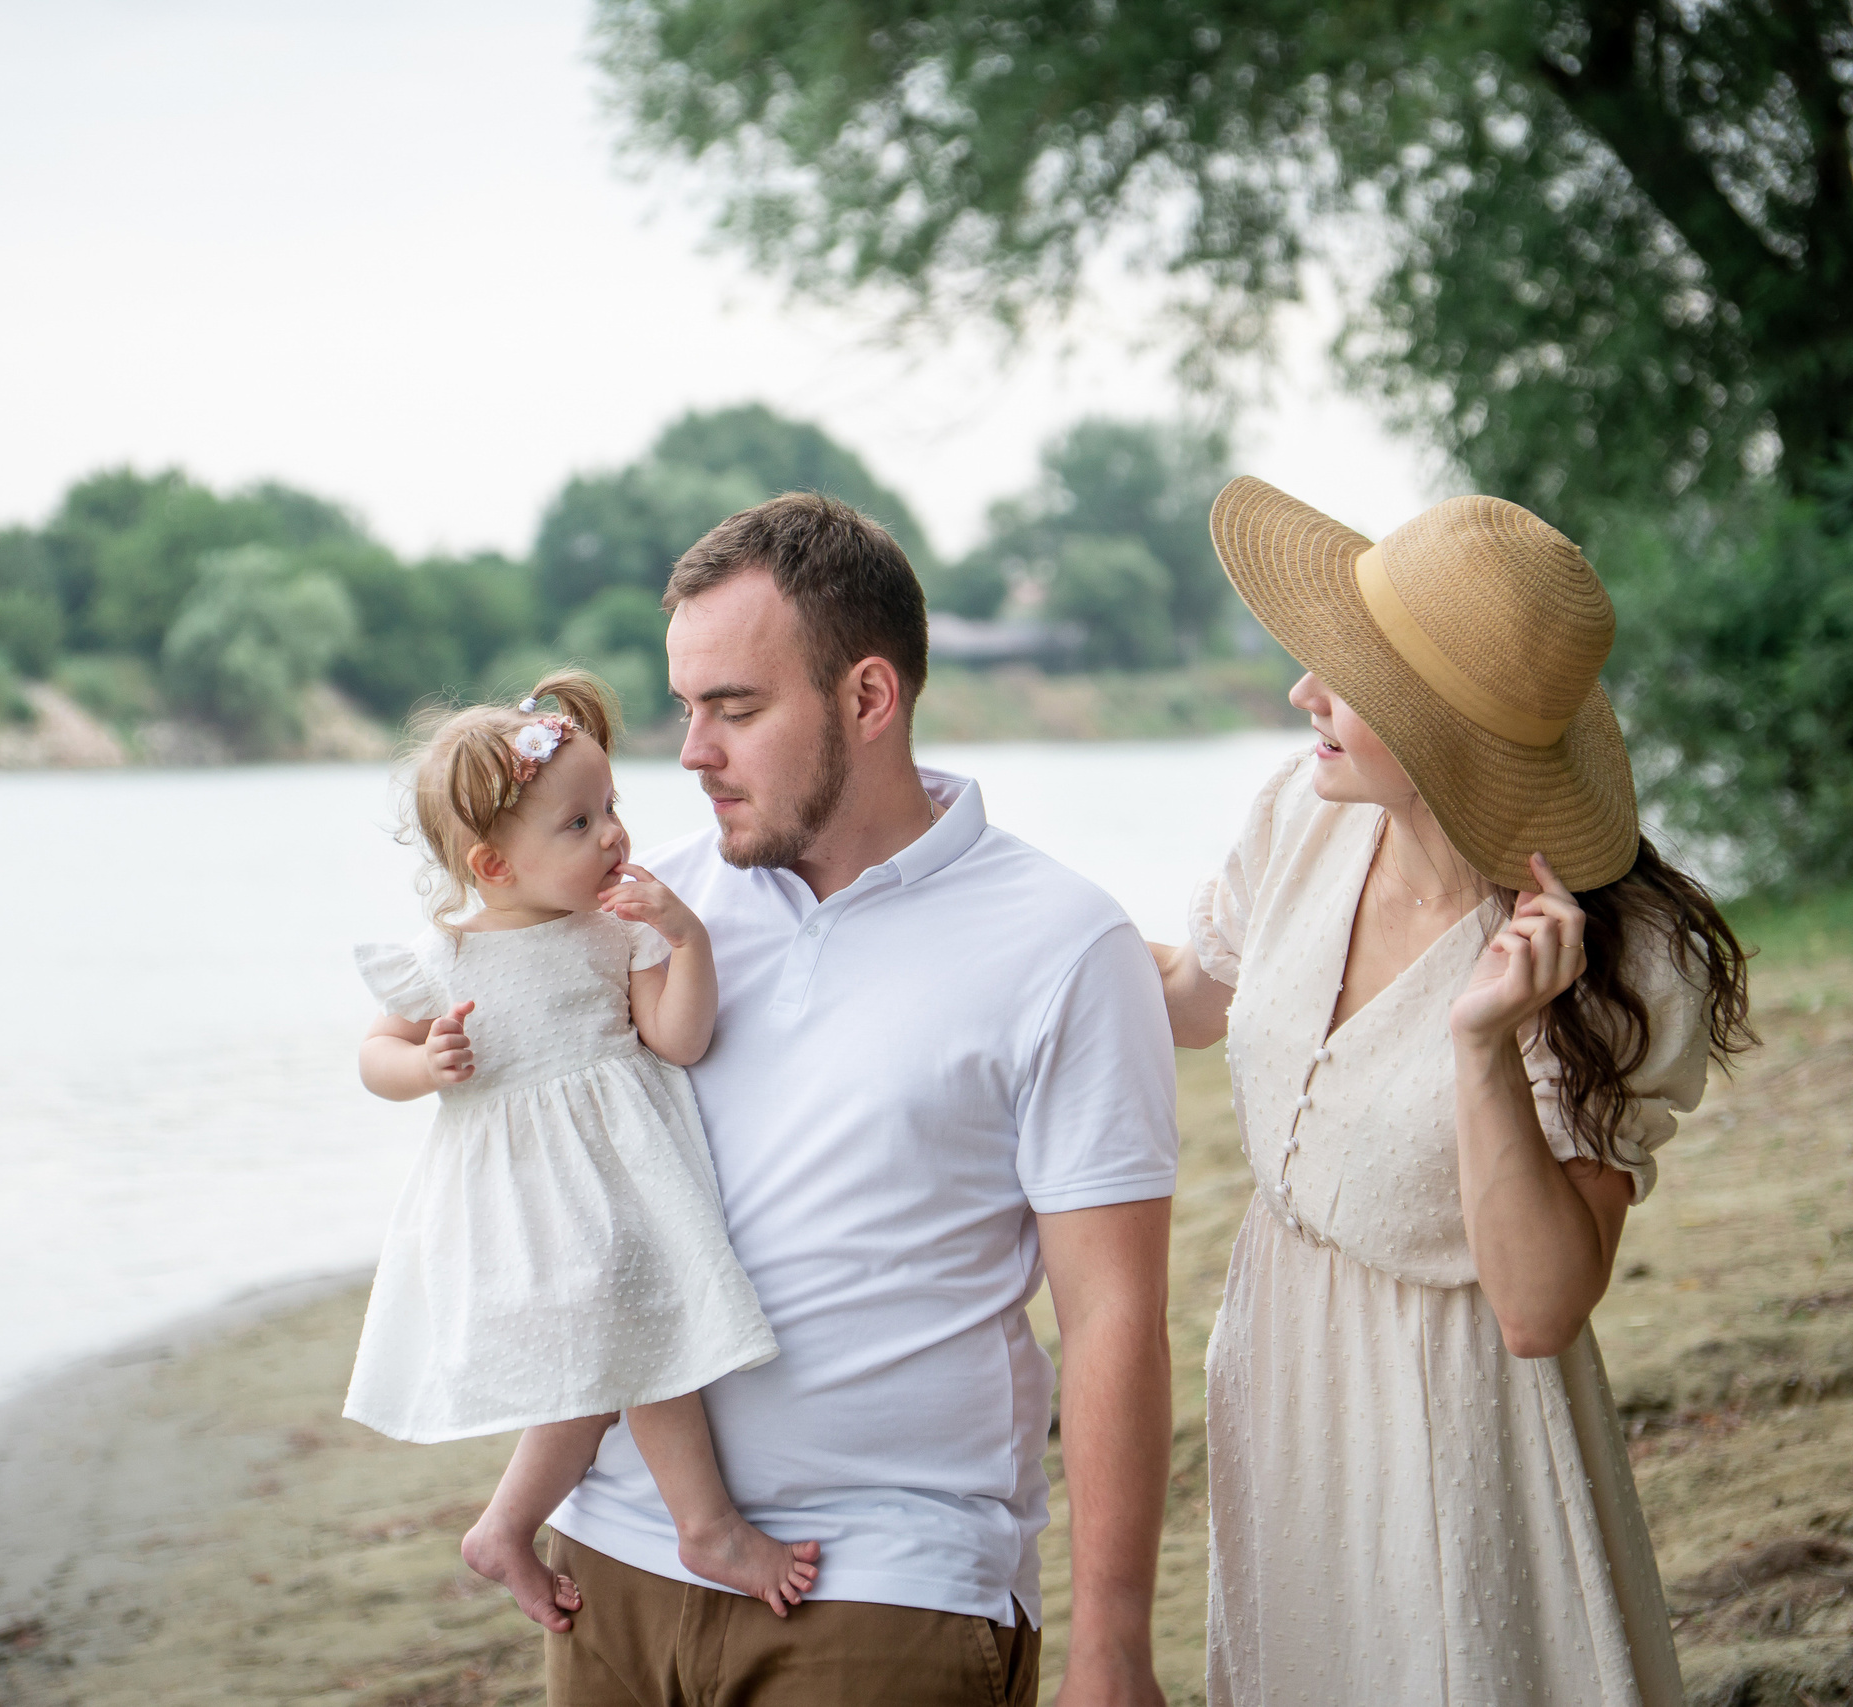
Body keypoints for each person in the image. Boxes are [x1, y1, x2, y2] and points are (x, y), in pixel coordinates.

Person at [544, 494, 1180, 1707]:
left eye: (734, 709)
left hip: (889, 1580)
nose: (692, 753)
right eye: (686, 709)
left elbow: (1112, 1317)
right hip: (615, 1556)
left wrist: (1110, 1649)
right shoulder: (638, 915)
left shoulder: (1062, 944)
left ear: (868, 700)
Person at [1148, 479, 1757, 1705]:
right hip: (1283, 1366)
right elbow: (1188, 1001)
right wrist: (971, 894)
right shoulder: (1298, 818)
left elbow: (1538, 1307)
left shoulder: (1613, 966)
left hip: (1458, 1413)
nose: (1301, 692)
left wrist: (1482, 1046)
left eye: (1345, 677)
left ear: (1440, 731)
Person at [350, 671, 820, 1631]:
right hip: (525, 1206)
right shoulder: (447, 958)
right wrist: (426, 1065)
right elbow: (374, 1055)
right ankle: (674, 1524)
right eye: (578, 824)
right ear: (492, 866)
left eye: (611, 807)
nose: (613, 833)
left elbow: (678, 1039)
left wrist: (685, 939)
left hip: (622, 1193)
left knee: (634, 1348)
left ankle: (562, 1526)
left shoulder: (617, 932)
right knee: (619, 1349)